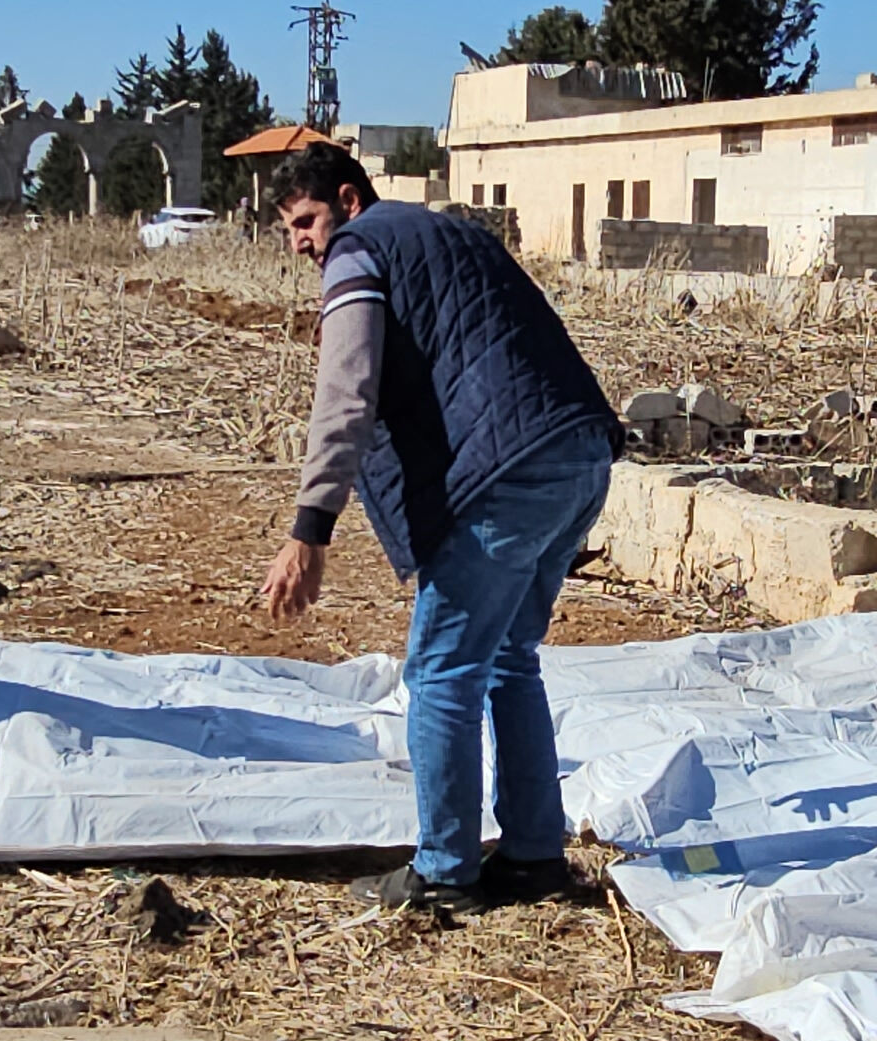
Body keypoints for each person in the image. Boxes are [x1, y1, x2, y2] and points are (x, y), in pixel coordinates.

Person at [256, 144, 618, 916]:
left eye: (308, 220)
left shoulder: (359, 250)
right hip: (579, 455)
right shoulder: (451, 232)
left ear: (349, 201)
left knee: (442, 671)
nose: (301, 243)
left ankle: (447, 874)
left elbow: (345, 393)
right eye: (291, 228)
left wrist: (310, 526)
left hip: (512, 477)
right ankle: (532, 857)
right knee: (510, 658)